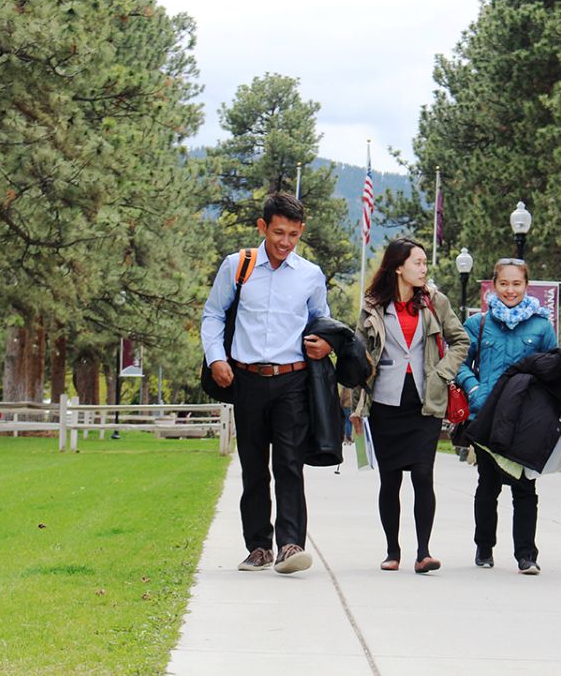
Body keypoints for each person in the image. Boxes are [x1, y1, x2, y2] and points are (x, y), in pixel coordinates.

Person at [201, 193, 333, 575]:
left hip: (292, 379)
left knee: (290, 463)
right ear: (262, 228)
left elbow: (320, 322)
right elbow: (213, 315)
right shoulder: (237, 267)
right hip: (245, 378)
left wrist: (325, 343)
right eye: (278, 232)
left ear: (301, 232)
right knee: (254, 467)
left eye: (293, 234)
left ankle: (291, 545)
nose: (285, 242)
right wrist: (216, 359)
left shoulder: (310, 275)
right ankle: (258, 546)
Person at [350, 237, 469, 573]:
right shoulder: (373, 306)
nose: (423, 268)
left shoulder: (435, 302)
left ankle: (423, 552)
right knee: (390, 479)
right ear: (398, 267)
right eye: (417, 262)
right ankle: (392, 551)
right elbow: (359, 351)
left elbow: (461, 340)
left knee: (422, 474)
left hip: (424, 401)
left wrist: (442, 372)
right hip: (385, 402)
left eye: (424, 263)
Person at [456, 258, 557, 574]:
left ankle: (526, 554)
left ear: (527, 286)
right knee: (488, 484)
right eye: (504, 284)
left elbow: (553, 368)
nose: (510, 290)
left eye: (516, 284)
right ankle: (484, 547)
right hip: (486, 415)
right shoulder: (478, 324)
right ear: (493, 285)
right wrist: (473, 390)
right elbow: (459, 361)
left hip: (524, 419)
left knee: (525, 486)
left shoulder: (541, 325)